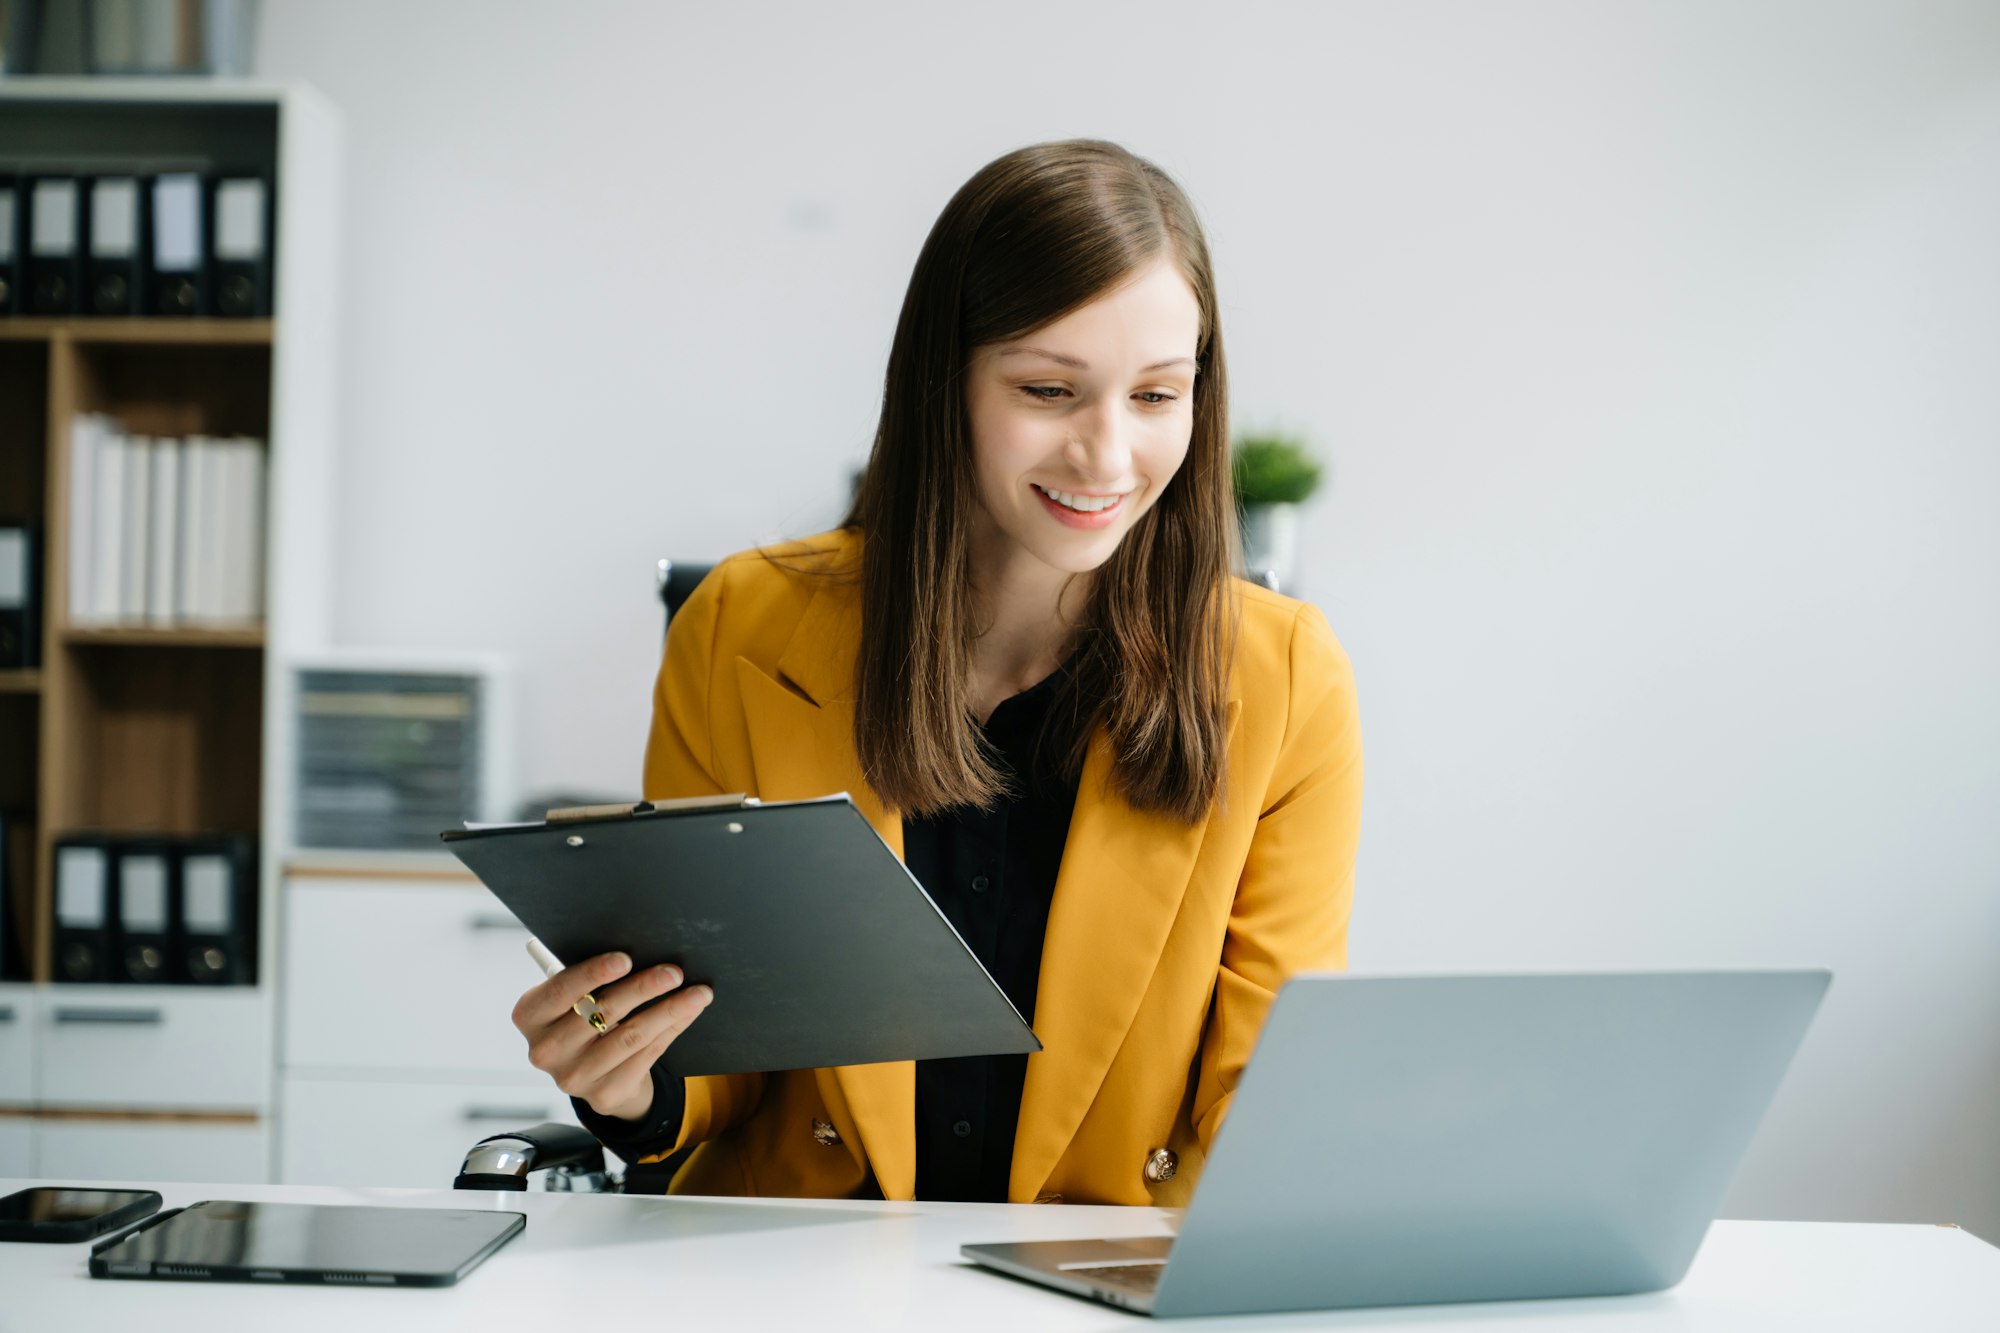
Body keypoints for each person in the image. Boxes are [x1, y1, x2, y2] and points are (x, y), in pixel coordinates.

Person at [509, 139, 1363, 1206]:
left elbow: (1261, 1093)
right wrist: (629, 1078)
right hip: (792, 1273)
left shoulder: (1283, 675)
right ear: (941, 383)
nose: (1106, 456)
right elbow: (720, 1053)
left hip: (1096, 1281)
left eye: (1155, 397)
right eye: (1049, 390)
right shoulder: (742, 625)